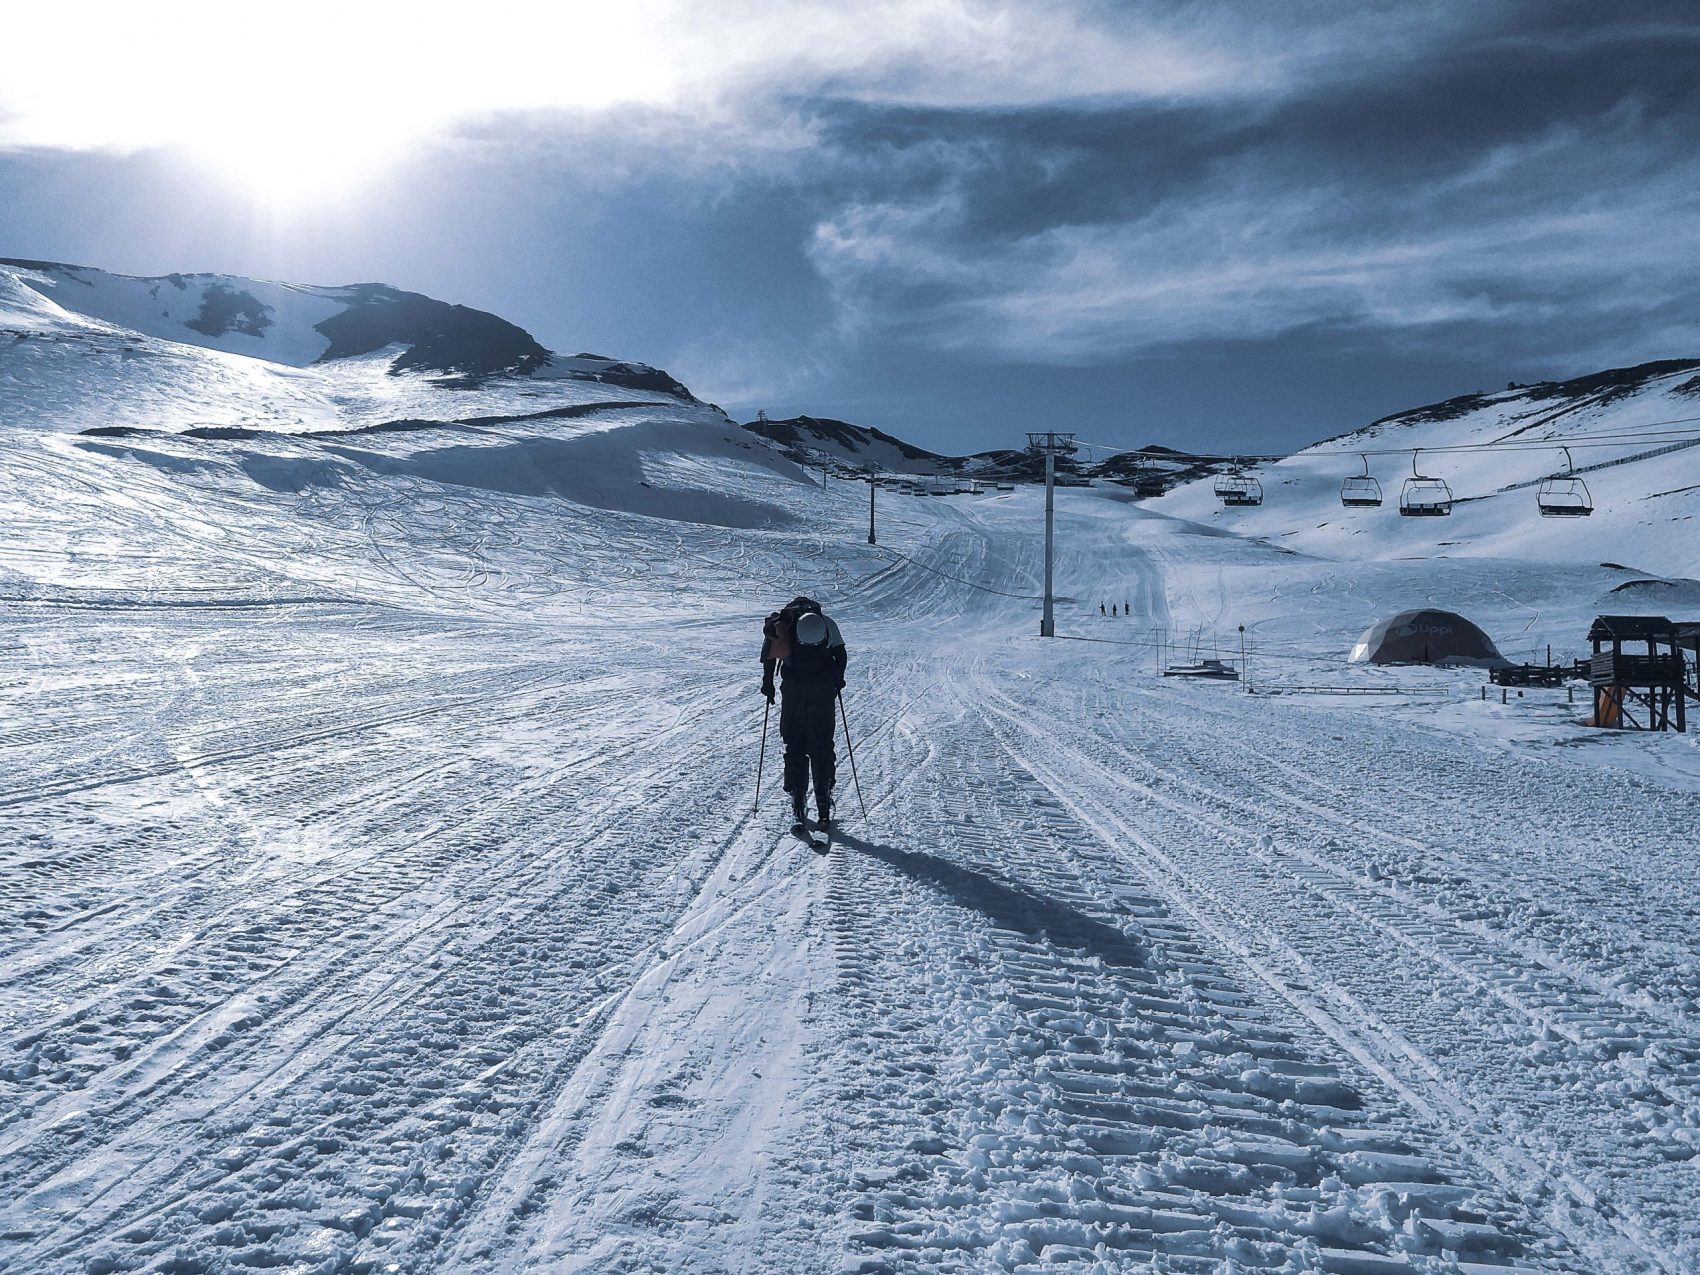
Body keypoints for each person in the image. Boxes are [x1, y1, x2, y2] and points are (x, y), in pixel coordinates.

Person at [761, 596, 848, 830]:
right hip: (822, 691)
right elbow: (840, 654)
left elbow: (769, 657)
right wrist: (837, 680)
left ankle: (798, 798)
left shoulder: (785, 626)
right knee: (821, 744)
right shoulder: (827, 623)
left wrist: (767, 685)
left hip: (793, 692)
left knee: (795, 745)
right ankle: (823, 797)